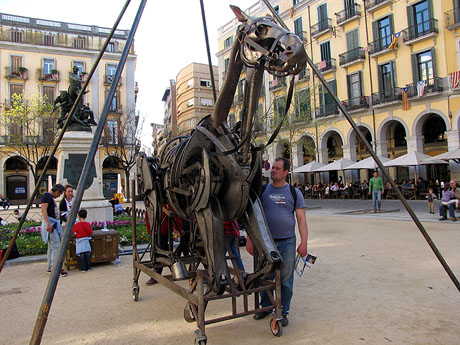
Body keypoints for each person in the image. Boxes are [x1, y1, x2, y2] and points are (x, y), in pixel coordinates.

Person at [253, 157, 308, 327]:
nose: (273, 170)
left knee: (285, 279)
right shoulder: (262, 191)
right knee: (264, 276)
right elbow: (253, 217)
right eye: (272, 168)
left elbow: (301, 220)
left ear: (285, 173)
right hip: (265, 242)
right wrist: (250, 239)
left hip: (287, 242)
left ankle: (283, 311)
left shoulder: (294, 192)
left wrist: (304, 242)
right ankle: (266, 306)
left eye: (277, 168)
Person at [40, 184, 68, 277]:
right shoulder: (47, 196)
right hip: (51, 224)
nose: (59, 196)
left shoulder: (48, 197)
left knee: (52, 247)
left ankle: (51, 267)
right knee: (56, 246)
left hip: (52, 223)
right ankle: (55, 268)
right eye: (59, 194)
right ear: (57, 191)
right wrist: (48, 223)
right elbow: (43, 210)